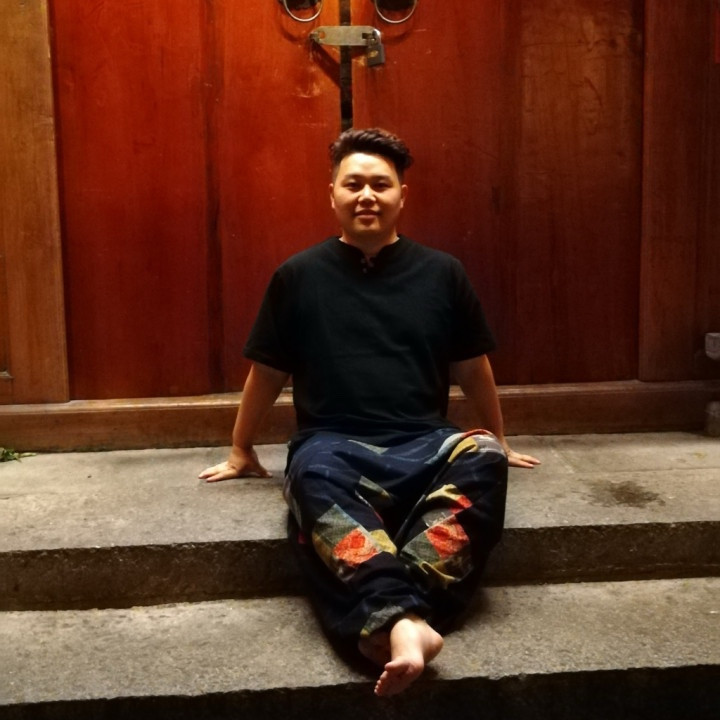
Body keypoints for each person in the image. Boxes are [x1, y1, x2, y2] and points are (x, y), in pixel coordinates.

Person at [200, 128, 540, 697]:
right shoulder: (298, 276)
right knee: (307, 475)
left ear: (402, 195)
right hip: (333, 446)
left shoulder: (443, 273)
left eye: (380, 185)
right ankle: (412, 621)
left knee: (480, 454)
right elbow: (268, 372)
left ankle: (390, 616)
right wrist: (241, 447)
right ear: (331, 194)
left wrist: (499, 440)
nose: (366, 196)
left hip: (426, 444)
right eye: (353, 183)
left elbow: (472, 367)